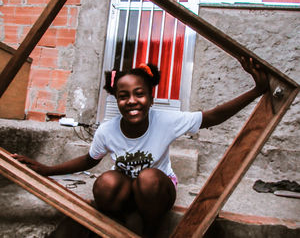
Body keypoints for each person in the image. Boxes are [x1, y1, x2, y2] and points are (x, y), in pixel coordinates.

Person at [12, 57, 268, 237]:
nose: (132, 101)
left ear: (151, 98)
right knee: (105, 182)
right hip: (126, 191)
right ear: (116, 100)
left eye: (139, 94)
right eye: (124, 96)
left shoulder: (166, 121)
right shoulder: (107, 130)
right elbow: (89, 160)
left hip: (156, 191)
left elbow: (211, 116)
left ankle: (150, 230)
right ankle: (115, 224)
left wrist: (257, 90)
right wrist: (45, 169)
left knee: (148, 178)